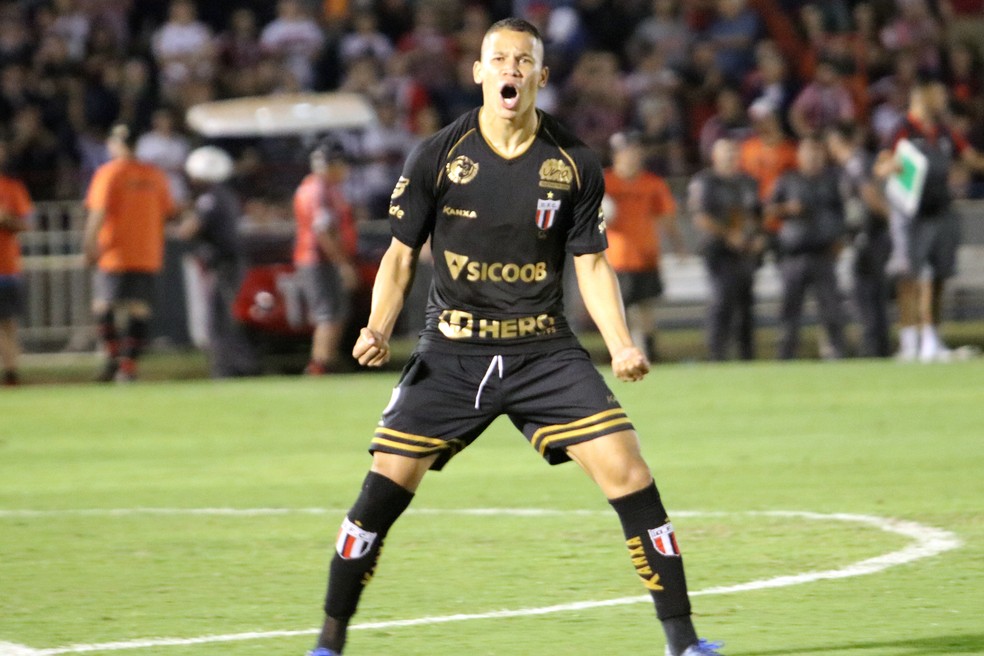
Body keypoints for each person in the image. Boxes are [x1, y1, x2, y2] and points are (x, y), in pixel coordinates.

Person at [305, 18, 723, 656]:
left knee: (629, 471)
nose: (510, 69)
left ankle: (684, 643)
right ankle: (329, 643)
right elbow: (399, 255)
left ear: (541, 76)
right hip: (451, 351)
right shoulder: (438, 155)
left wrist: (621, 343)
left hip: (544, 351)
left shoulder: (573, 161)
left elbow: (589, 261)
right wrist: (376, 327)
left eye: (523, 60)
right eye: (498, 59)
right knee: (382, 490)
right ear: (478, 73)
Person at [875, 74, 984, 362]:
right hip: (910, 214)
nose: (944, 100)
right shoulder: (902, 128)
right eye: (939, 95)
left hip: (941, 209)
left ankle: (931, 340)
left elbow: (971, 158)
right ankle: (909, 341)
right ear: (922, 97)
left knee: (938, 277)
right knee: (909, 275)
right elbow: (881, 165)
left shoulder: (944, 131)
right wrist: (892, 165)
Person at [82, 124, 175, 382]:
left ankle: (113, 357)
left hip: (115, 251)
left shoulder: (109, 174)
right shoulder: (154, 175)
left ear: (115, 144)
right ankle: (129, 366)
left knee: (103, 304)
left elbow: (98, 212)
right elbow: (168, 211)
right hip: (147, 252)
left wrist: (89, 244)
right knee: (139, 308)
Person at [603, 130, 685, 362]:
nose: (631, 155)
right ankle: (626, 353)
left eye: (634, 150)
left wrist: (678, 245)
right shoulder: (604, 182)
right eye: (626, 151)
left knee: (645, 308)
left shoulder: (652, 183)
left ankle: (647, 352)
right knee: (620, 311)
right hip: (616, 258)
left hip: (645, 256)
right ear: (616, 155)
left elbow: (666, 217)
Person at [177, 145, 258, 378]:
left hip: (224, 264)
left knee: (218, 318)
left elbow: (189, 230)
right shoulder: (225, 195)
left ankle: (228, 367)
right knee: (224, 315)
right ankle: (239, 364)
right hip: (229, 262)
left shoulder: (210, 199)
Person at [767, 136, 848, 360]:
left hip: (823, 253)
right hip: (794, 254)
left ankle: (836, 352)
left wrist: (840, 240)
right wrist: (787, 209)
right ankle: (786, 355)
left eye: (817, 152)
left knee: (831, 308)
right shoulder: (788, 180)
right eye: (808, 153)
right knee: (790, 310)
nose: (813, 157)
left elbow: (842, 214)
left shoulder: (831, 181)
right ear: (799, 156)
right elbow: (769, 210)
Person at [688, 137, 764, 361]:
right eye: (725, 153)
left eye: (733, 153)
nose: (730, 157)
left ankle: (747, 355)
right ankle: (717, 354)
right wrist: (728, 235)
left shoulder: (748, 182)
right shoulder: (705, 182)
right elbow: (700, 217)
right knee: (722, 299)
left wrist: (758, 237)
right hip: (718, 251)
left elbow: (758, 214)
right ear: (715, 157)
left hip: (745, 250)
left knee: (746, 303)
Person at [825, 121, 893, 358]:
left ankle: (874, 349)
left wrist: (891, 219)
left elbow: (868, 193)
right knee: (874, 295)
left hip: (868, 239)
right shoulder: (857, 162)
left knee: (865, 295)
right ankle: (880, 349)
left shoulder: (855, 162)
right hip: (869, 238)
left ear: (836, 142)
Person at [293, 139, 359, 375]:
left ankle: (326, 360)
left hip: (318, 259)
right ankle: (320, 364)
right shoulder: (320, 190)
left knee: (335, 312)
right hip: (319, 260)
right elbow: (323, 231)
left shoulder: (317, 187)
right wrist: (342, 264)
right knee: (328, 313)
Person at [0, 140, 33, 386]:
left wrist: (5, 218)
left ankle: (12, 372)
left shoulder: (12, 188)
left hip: (6, 268)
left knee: (8, 323)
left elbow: (25, 224)